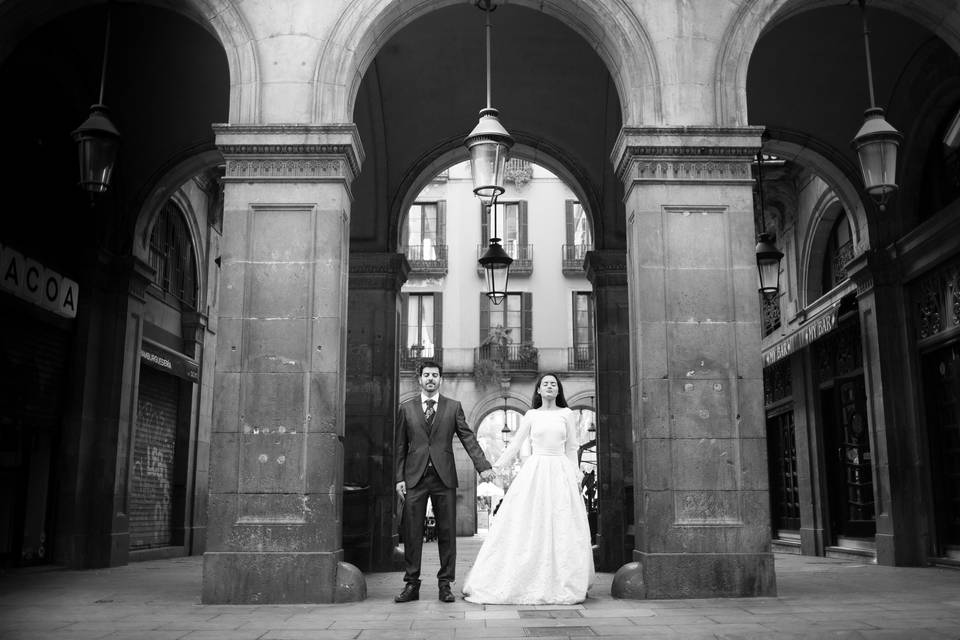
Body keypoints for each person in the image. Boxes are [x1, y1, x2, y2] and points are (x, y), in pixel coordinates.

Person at [462, 373, 595, 604]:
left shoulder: (566, 414)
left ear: (558, 389)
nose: (550, 387)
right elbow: (515, 444)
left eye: (554, 384)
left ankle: (564, 579)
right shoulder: (531, 415)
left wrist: (575, 475)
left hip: (561, 471)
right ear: (539, 391)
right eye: (546, 384)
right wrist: (496, 467)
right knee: (531, 521)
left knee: (562, 523)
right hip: (536, 470)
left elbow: (572, 447)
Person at [395, 360, 496, 603]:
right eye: (427, 375)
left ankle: (445, 585)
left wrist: (483, 467)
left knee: (447, 532)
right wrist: (399, 478)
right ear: (419, 379)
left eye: (435, 375)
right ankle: (411, 585)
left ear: (441, 379)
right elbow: (400, 446)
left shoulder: (453, 407)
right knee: (412, 533)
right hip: (414, 478)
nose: (431, 379)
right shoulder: (406, 409)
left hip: (444, 478)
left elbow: (468, 437)